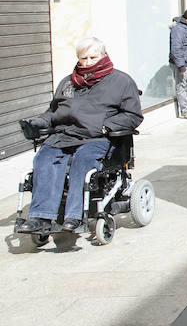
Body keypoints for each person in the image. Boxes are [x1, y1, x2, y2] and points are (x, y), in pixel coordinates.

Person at [18, 37, 143, 233]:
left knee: (83, 159)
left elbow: (133, 115)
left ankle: (74, 216)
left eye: (93, 57)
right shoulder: (68, 83)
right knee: (44, 157)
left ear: (103, 56)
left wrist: (107, 126)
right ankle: (41, 217)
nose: (88, 62)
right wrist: (38, 123)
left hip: (99, 138)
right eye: (83, 58)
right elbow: (52, 112)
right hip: (65, 135)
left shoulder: (121, 81)